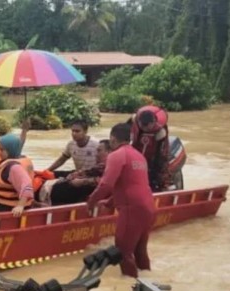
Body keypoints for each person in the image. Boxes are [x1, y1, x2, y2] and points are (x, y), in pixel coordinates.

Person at [87, 123, 155, 278]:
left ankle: (131, 287)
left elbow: (106, 184)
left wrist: (91, 201)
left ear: (112, 138)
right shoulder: (139, 156)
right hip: (148, 207)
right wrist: (111, 202)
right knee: (140, 251)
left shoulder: (116, 155)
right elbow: (131, 184)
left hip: (132, 209)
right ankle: (148, 283)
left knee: (122, 252)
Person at [48, 140, 112, 206]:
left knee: (62, 187)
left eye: (99, 151)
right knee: (61, 175)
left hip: (88, 191)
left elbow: (105, 182)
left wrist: (83, 181)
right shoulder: (100, 167)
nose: (96, 154)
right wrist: (75, 175)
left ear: (109, 152)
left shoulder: (110, 167)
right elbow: (88, 172)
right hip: (83, 180)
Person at [128, 105, 172, 192]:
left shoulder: (161, 132)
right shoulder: (135, 119)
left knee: (159, 170)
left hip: (154, 151)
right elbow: (123, 132)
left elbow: (160, 155)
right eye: (142, 126)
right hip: (138, 147)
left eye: (146, 126)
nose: (144, 128)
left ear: (153, 122)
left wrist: (152, 170)